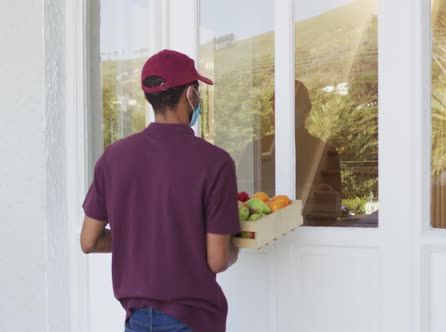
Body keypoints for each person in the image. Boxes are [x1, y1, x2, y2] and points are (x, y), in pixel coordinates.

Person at [79, 49, 241, 332]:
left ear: (148, 97)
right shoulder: (216, 162)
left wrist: (142, 240)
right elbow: (217, 260)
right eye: (198, 91)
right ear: (191, 94)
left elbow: (89, 241)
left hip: (137, 320)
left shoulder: (113, 157)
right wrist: (235, 247)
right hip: (193, 319)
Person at [236, 80, 342, 225]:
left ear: (308, 108)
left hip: (312, 235)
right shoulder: (255, 150)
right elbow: (238, 201)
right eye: (277, 105)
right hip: (261, 238)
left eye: (293, 103)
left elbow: (333, 211)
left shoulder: (325, 152)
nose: (283, 110)